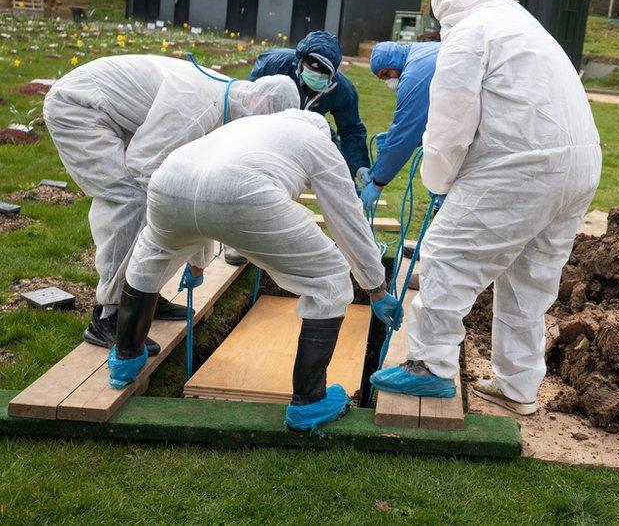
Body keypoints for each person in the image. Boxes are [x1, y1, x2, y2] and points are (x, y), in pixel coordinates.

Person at [370, 0, 602, 416]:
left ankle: (430, 367)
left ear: (443, 10)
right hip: (581, 164)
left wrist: (438, 183)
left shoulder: (469, 35)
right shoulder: (525, 25)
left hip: (524, 165)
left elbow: (449, 125)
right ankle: (518, 385)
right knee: (529, 279)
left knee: (444, 254)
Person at [108, 110, 400, 430]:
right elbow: (347, 219)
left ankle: (125, 357)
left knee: (148, 261)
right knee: (328, 277)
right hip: (242, 192)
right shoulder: (318, 141)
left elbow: (201, 194)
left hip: (168, 184)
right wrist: (375, 287)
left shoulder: (245, 126)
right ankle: (310, 400)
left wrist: (197, 263)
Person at [43, 55, 299, 355]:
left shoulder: (226, 103)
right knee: (130, 200)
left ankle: (143, 292)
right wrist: (190, 236)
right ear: (259, 109)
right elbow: (147, 167)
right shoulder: (199, 107)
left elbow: (197, 186)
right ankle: (109, 314)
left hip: (115, 112)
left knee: (156, 199)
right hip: (78, 108)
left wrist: (198, 258)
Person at [249, 31, 368, 178]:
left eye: (323, 73)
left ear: (333, 74)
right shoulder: (276, 64)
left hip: (313, 126)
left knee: (338, 168)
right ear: (300, 62)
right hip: (270, 123)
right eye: (312, 68)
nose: (317, 74)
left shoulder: (343, 90)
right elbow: (249, 101)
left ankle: (354, 198)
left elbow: (350, 129)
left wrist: (359, 166)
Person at [359, 41, 441, 211]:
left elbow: (405, 133)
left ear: (393, 63)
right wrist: (394, 139)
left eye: (386, 74)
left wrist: (378, 182)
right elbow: (425, 118)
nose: (388, 81)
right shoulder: (422, 51)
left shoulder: (413, 77)